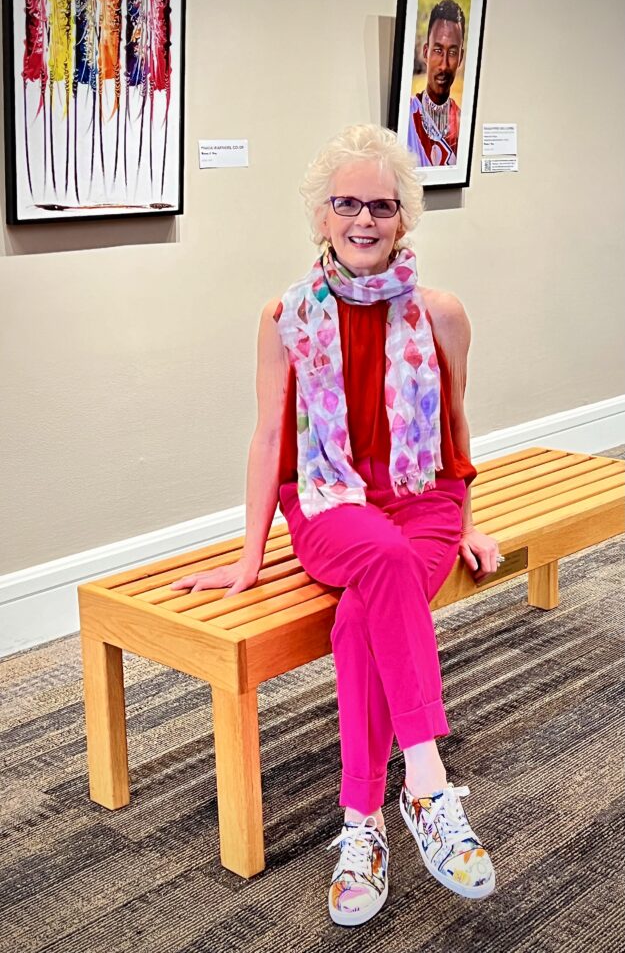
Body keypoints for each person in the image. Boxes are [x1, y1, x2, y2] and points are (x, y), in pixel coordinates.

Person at [171, 124, 500, 926]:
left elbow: (452, 421)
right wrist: (249, 559)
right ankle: (425, 786)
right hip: (326, 504)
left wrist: (465, 520)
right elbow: (268, 438)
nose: (363, 219)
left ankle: (362, 827)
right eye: (345, 203)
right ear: (320, 216)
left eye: (381, 206)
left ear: (404, 219)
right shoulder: (286, 315)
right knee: (378, 562)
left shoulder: (440, 314)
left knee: (361, 616)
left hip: (423, 500)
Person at [408, 0, 465, 166]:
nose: (444, 64)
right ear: (426, 53)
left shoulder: (463, 124)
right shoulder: (408, 114)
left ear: (460, 57)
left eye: (452, 52)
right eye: (438, 50)